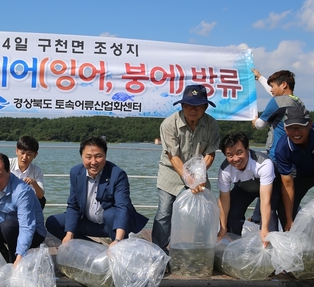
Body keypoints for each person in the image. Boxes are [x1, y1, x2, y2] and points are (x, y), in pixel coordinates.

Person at [151, 84, 221, 254]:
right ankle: (159, 251)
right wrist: (189, 179)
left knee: (204, 211)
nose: (193, 110)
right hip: (171, 172)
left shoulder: (212, 125)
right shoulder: (169, 124)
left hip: (199, 172)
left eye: (198, 106)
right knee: (165, 211)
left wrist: (198, 176)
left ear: (205, 107)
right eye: (189, 105)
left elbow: (210, 153)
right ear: (182, 106)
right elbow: (172, 156)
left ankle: (200, 249)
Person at [45, 137, 148, 246]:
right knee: (53, 222)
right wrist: (69, 234)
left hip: (112, 225)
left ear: (105, 155)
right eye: (88, 157)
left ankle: (118, 246)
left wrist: (118, 240)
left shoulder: (118, 174)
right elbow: (73, 205)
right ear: (82, 157)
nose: (93, 162)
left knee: (111, 214)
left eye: (98, 156)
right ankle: (95, 247)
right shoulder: (76, 172)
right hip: (88, 222)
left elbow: (123, 207)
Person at [217, 132, 280, 246]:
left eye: (239, 152)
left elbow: (265, 200)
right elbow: (224, 200)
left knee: (269, 222)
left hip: (269, 187)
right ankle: (233, 246)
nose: (235, 159)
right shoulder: (224, 170)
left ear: (247, 149)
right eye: (230, 155)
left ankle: (269, 249)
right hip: (244, 187)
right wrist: (223, 227)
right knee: (233, 212)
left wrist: (265, 229)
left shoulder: (264, 164)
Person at [0, 135, 46, 209]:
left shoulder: (37, 170)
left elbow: (40, 195)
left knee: (41, 201)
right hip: (3, 197)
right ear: (16, 151)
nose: (24, 157)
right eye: (22, 153)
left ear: (35, 155)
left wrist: (34, 183)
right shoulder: (6, 163)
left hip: (23, 201)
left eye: (29, 154)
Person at [251, 70, 306, 164]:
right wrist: (260, 77)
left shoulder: (277, 101)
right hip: (294, 152)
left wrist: (254, 121)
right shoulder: (297, 101)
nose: (271, 89)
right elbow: (274, 93)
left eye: (272, 86)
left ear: (284, 84)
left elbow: (260, 125)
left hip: (277, 153)